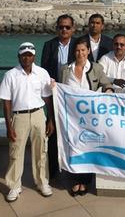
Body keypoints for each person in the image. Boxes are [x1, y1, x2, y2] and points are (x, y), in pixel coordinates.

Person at [0, 42, 54, 202]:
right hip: (19, 117)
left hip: (38, 115)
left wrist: (50, 119)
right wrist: (8, 126)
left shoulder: (42, 73)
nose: (26, 58)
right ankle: (14, 186)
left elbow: (47, 98)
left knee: (41, 151)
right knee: (15, 152)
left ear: (34, 56)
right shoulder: (10, 75)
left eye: (29, 54)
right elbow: (6, 102)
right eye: (23, 55)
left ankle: (42, 182)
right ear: (18, 56)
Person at [61, 38, 114, 196]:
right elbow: (61, 89)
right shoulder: (65, 69)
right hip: (71, 118)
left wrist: (108, 92)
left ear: (88, 51)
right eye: (77, 50)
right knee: (74, 147)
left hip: (90, 117)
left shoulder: (96, 68)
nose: (80, 53)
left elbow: (106, 84)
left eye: (83, 50)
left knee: (88, 146)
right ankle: (75, 179)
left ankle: (85, 181)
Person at [41, 14, 78, 177]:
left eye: (67, 27)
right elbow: (44, 71)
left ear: (73, 29)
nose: (64, 30)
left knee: (73, 132)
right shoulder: (49, 45)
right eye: (61, 27)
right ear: (56, 28)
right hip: (55, 94)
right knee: (53, 130)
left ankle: (73, 169)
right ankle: (53, 171)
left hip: (73, 96)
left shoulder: (79, 45)